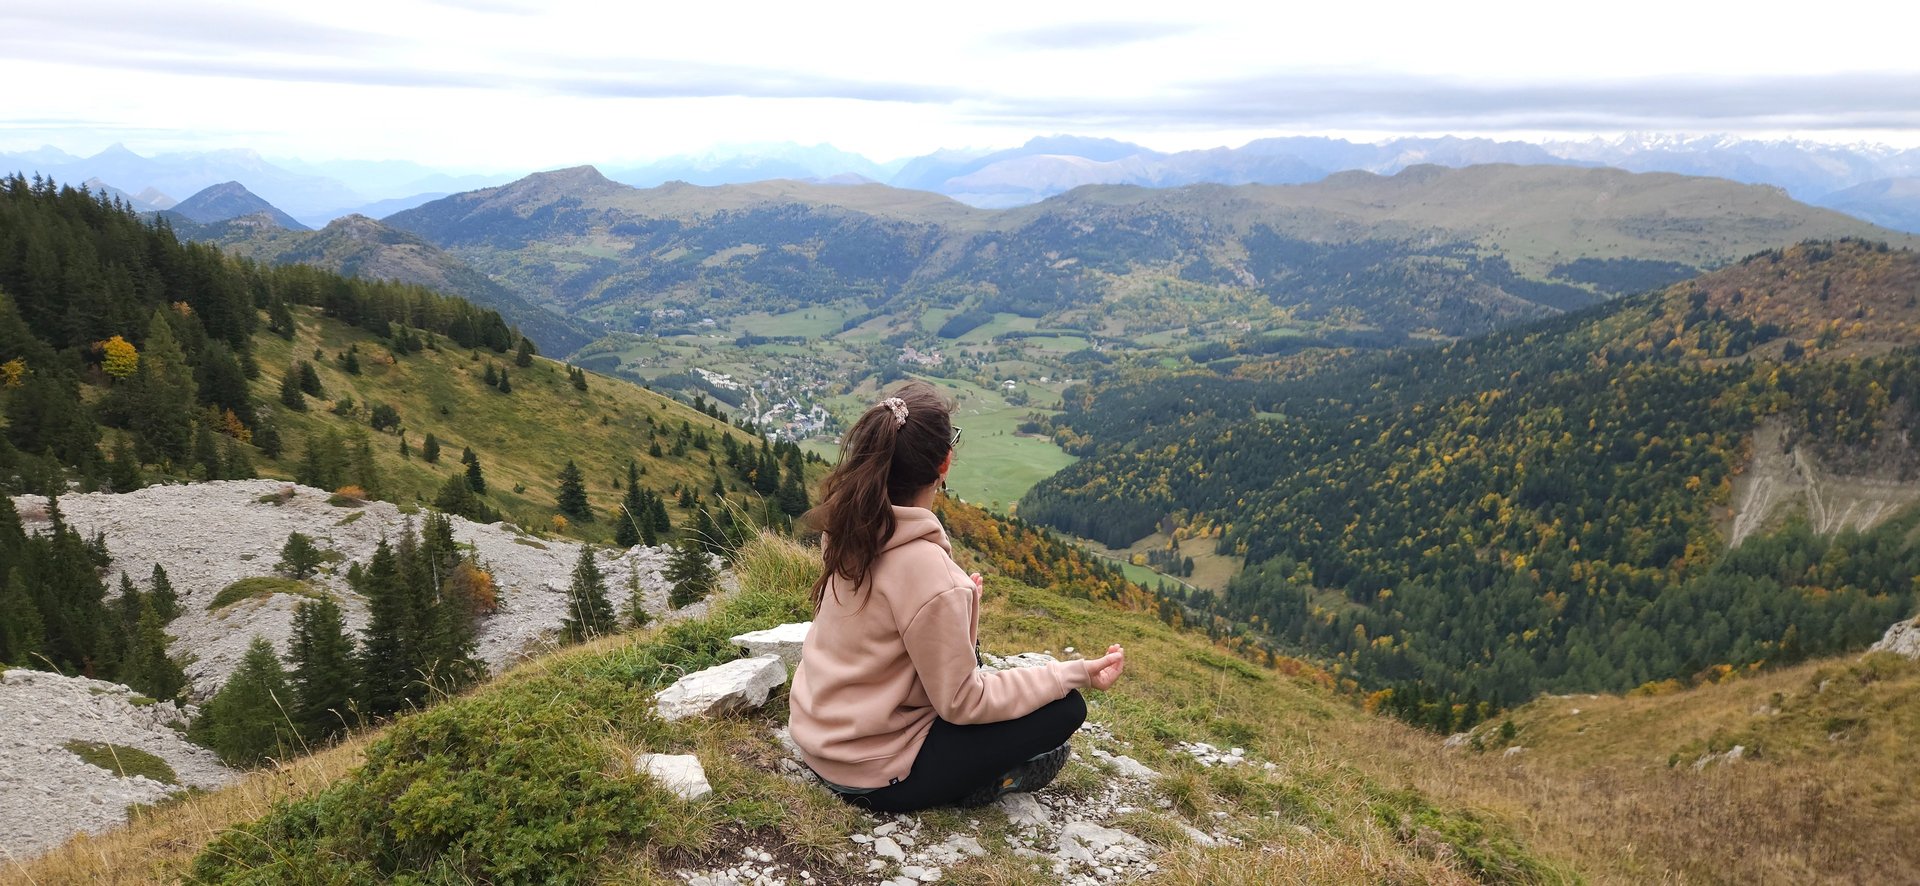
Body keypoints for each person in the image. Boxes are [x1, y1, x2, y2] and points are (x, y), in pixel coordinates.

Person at [788, 381, 1127, 812]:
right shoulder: (928, 573)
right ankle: (987, 784)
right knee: (1065, 710)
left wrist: (962, 607)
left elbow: (891, 634)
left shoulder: (847, 527)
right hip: (873, 775)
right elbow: (964, 702)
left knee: (996, 682)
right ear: (944, 462)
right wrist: (1076, 672)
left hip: (819, 739)